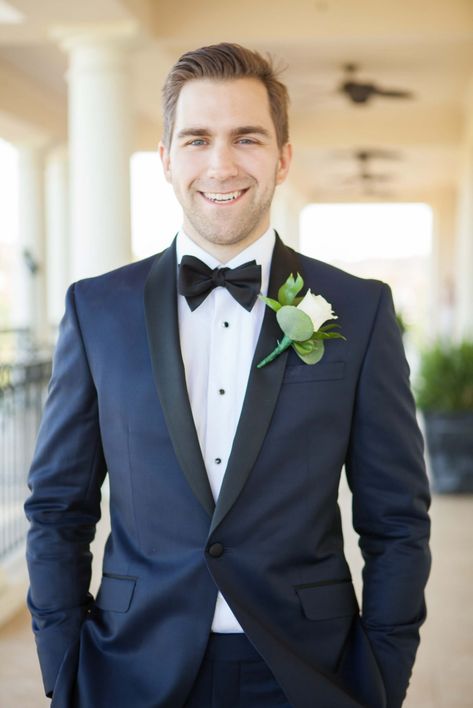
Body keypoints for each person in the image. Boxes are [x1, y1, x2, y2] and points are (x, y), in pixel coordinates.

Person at [25, 43, 431, 708]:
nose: (220, 163)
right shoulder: (95, 309)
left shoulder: (358, 309)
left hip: (309, 671)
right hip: (130, 666)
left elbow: (395, 518)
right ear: (165, 159)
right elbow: (58, 510)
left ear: (282, 157)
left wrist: (381, 673)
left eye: (246, 137)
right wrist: (64, 669)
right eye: (196, 139)